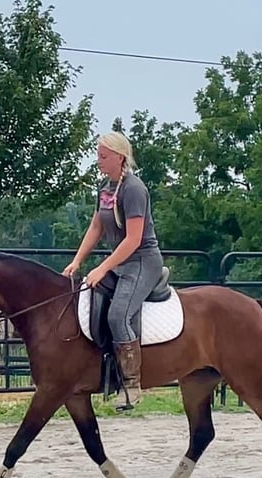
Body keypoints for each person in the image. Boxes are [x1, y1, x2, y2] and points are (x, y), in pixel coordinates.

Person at [62, 132, 164, 410]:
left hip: (142, 260)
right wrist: (78, 261)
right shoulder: (105, 188)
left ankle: (132, 386)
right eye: (98, 155)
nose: (99, 161)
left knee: (118, 314)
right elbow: (96, 227)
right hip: (120, 261)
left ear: (120, 157)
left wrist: (102, 267)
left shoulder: (134, 189)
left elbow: (133, 239)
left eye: (103, 156)